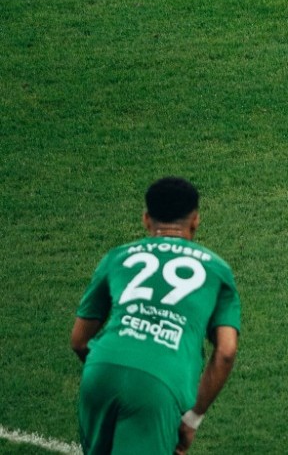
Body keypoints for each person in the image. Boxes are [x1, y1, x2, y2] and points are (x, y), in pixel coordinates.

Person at [71, 176, 240, 455]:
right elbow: (226, 352)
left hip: (100, 371)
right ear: (196, 220)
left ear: (146, 219)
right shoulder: (217, 269)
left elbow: (79, 341)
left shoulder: (118, 257)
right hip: (159, 383)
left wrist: (112, 368)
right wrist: (193, 418)